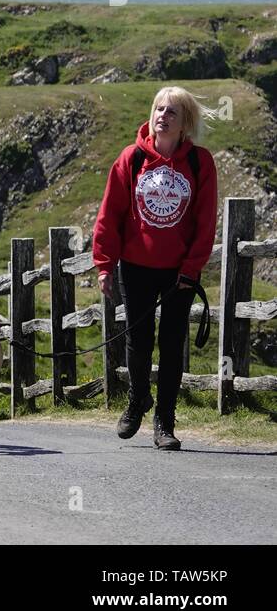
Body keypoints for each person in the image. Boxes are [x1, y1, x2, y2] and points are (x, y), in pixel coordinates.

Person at [93, 87, 218, 451]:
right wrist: (104, 265)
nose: (163, 115)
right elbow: (109, 215)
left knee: (171, 341)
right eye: (159, 109)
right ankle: (137, 401)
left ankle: (165, 420)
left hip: (178, 271)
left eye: (172, 112)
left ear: (185, 124)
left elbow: (205, 221)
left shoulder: (200, 163)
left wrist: (192, 268)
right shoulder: (130, 159)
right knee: (138, 340)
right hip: (135, 266)